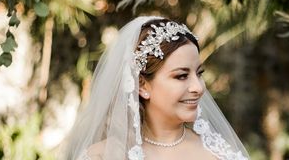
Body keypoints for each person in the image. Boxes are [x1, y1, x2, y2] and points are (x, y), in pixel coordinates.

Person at [61, 16, 249, 160]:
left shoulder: (219, 153)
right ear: (142, 85)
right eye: (181, 76)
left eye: (199, 73)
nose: (198, 87)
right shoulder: (102, 156)